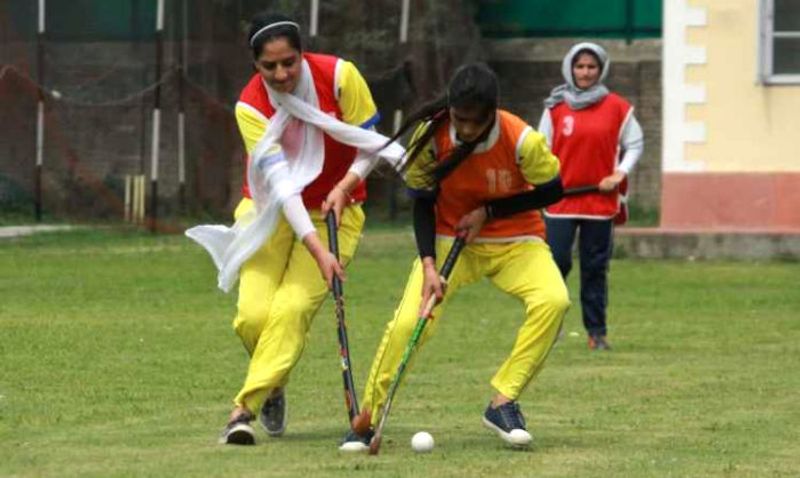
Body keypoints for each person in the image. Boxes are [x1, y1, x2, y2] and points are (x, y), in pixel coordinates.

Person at [187, 12, 403, 445]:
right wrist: (318, 250)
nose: (282, 74)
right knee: (252, 316)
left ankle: (242, 410)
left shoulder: (341, 76)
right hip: (269, 207)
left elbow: (369, 143)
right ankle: (275, 383)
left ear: (302, 54)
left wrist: (345, 186)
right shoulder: (249, 106)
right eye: (270, 67)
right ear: (256, 65)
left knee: (291, 309)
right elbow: (283, 187)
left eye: (290, 62)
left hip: (335, 209)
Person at [340, 64, 570, 452]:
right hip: (449, 239)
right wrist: (429, 265)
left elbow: (552, 191)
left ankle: (503, 401)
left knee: (554, 300)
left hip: (517, 239)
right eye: (459, 120)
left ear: (492, 114)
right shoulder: (430, 137)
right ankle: (367, 419)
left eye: (474, 124)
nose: (464, 130)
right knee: (407, 325)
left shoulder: (521, 140)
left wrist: (489, 213)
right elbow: (422, 205)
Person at [538, 42, 644, 351]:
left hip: (600, 202)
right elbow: (539, 148)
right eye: (580, 66)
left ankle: (596, 333)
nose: (585, 72)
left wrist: (620, 173)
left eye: (591, 67)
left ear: (601, 70)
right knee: (555, 263)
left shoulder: (618, 108)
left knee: (595, 267)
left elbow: (635, 143)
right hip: (561, 201)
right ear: (570, 68)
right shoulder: (555, 107)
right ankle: (549, 328)